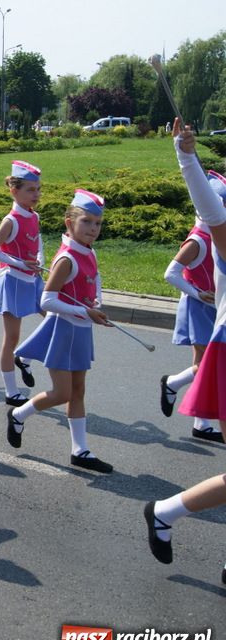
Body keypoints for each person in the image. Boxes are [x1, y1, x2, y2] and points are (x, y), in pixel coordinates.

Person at [143, 119, 226, 569]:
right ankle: (163, 512)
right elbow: (212, 213)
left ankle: (164, 512)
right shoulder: (219, 241)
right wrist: (186, 156)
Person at [7, 189, 115, 474]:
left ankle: (80, 450)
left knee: (78, 391)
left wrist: (97, 304)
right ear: (69, 222)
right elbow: (46, 300)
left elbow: (95, 279)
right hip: (63, 331)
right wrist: (84, 311)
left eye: (97, 223)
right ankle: (18, 413)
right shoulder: (67, 258)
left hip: (80, 330)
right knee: (62, 392)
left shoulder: (88, 251)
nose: (93, 229)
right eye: (87, 222)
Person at [159, 169, 223, 443]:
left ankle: (201, 422)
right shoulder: (198, 239)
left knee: (206, 364)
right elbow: (171, 273)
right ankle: (172, 384)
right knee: (205, 364)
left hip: (213, 306)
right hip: (198, 307)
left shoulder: (217, 237)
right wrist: (198, 294)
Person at [0, 161, 46, 407]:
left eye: (39, 189)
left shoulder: (34, 215)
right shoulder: (11, 220)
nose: (36, 194)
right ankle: (11, 391)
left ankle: (25, 357)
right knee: (11, 337)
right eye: (31, 190)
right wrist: (19, 263)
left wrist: (40, 259)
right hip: (12, 281)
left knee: (53, 318)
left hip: (33, 279)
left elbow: (38, 241)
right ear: (14, 191)